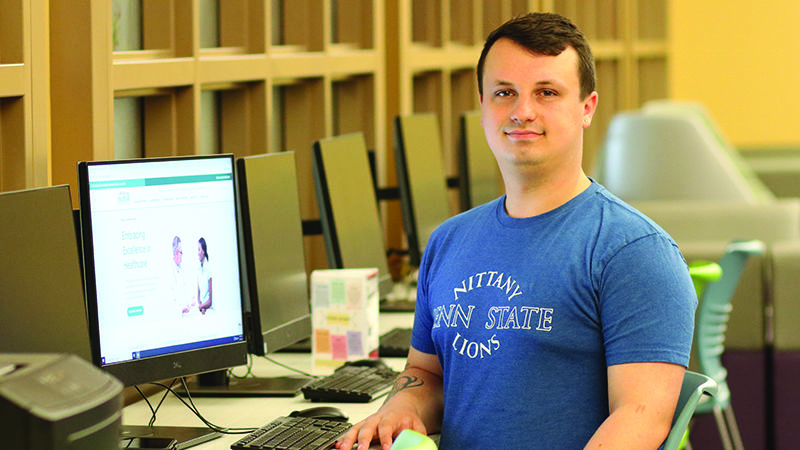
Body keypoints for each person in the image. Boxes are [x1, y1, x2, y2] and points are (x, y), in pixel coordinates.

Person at [337, 12, 697, 450]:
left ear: (587, 108)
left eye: (546, 92)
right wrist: (399, 407)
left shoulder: (633, 251)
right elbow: (428, 375)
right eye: (504, 93)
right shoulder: (448, 242)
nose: (522, 111)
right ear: (484, 106)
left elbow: (640, 420)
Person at [170, 236, 192, 315]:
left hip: (185, 313)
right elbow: (171, 299)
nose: (182, 255)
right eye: (181, 252)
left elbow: (185, 290)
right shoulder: (170, 271)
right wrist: (180, 309)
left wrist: (190, 302)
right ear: (176, 253)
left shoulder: (181, 269)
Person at [196, 237, 212, 314]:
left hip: (209, 311)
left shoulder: (209, 268)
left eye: (199, 249)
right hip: (202, 311)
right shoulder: (198, 270)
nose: (198, 253)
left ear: (203, 251)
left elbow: (210, 301)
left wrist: (202, 307)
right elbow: (198, 296)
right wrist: (200, 306)